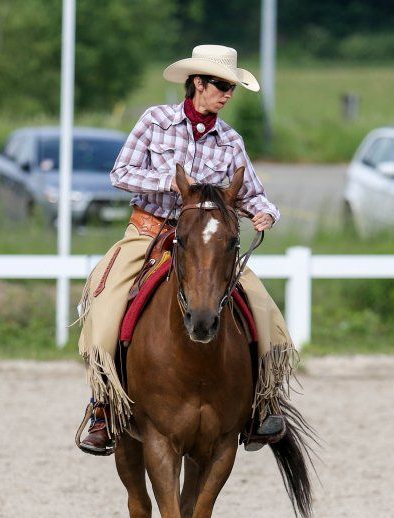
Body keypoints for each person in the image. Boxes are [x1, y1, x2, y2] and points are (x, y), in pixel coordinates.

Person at [75, 44, 296, 455]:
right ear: (198, 82)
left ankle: (263, 403)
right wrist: (176, 184)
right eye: (221, 86)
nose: (227, 94)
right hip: (150, 232)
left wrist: (265, 213)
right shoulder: (155, 121)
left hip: (207, 244)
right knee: (105, 307)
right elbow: (120, 173)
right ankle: (103, 407)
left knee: (266, 312)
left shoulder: (231, 140)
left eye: (231, 88)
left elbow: (254, 194)